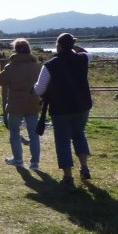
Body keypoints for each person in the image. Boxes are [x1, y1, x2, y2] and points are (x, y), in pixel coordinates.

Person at [34, 33, 92, 191]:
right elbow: (87, 53)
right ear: (72, 45)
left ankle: (68, 176)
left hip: (60, 108)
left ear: (58, 46)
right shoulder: (83, 59)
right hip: (82, 106)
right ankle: (84, 168)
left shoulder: (50, 65)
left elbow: (39, 89)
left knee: (62, 141)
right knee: (79, 134)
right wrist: (75, 47)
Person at [0, 38, 42, 169]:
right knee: (34, 134)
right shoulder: (36, 66)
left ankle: (18, 160)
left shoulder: (11, 66)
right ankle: (35, 163)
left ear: (15, 50)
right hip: (33, 102)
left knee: (14, 132)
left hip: (15, 104)